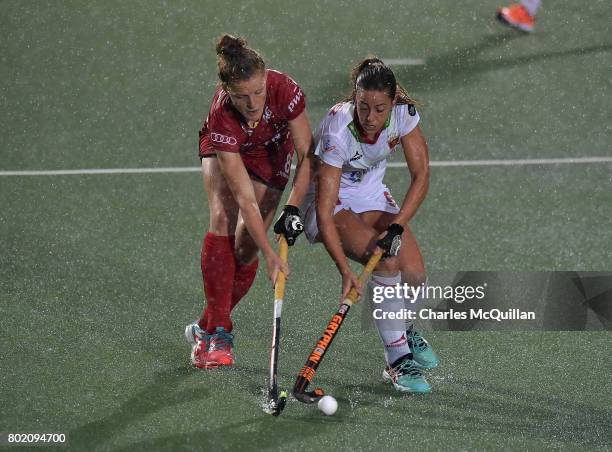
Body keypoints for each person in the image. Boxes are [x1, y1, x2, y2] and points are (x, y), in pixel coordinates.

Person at [301, 58, 439, 393]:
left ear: (392, 103)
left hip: (371, 194)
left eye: (379, 109)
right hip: (328, 201)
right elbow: (323, 208)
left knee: (416, 274)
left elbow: (421, 176)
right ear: (354, 98)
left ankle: (402, 327)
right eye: (363, 107)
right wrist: (344, 270)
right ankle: (397, 362)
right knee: (387, 263)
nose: (371, 118)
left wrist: (398, 226)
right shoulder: (339, 130)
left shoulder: (402, 115)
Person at [185, 34, 314, 369]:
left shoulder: (284, 90)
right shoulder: (223, 118)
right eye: (242, 96)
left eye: (258, 91)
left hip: (271, 152)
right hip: (231, 147)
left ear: (266, 78)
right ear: (227, 92)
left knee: (245, 249)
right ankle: (221, 332)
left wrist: (292, 208)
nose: (253, 103)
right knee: (223, 217)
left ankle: (204, 326)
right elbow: (245, 199)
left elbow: (306, 156)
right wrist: (272, 255)